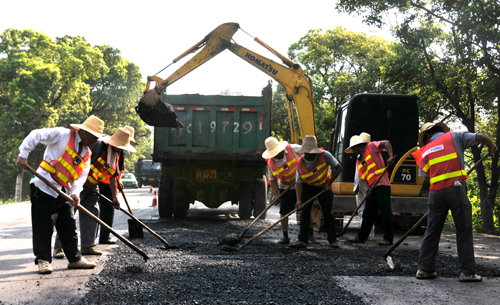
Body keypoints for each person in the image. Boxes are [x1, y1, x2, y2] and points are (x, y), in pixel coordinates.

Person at [16, 115, 104, 274]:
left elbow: (81, 177)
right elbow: (37, 134)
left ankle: (75, 259)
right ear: (83, 131)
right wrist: (24, 154)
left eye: (96, 138)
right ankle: (43, 260)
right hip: (43, 185)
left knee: (69, 224)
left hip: (63, 190)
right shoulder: (62, 135)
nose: (94, 140)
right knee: (43, 225)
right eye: (92, 136)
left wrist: (75, 193)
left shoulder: (87, 153)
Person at [412, 122, 497, 282]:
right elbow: (481, 136)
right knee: (463, 230)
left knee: (432, 231)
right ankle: (467, 272)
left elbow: (424, 177)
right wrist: (491, 146)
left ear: (428, 136)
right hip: (456, 189)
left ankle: (424, 269)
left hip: (435, 193)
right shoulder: (454, 136)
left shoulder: (425, 151)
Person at [52, 128, 136, 257]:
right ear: (113, 142)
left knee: (92, 214)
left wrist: (115, 197)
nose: (121, 149)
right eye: (120, 146)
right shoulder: (97, 145)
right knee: (68, 215)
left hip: (92, 186)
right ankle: (59, 247)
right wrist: (75, 185)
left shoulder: (115, 154)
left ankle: (87, 246)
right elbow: (79, 160)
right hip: (77, 185)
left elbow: (113, 175)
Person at [290, 135, 342, 249]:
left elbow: (339, 168)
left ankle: (332, 240)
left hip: (324, 186)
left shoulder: (325, 155)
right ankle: (302, 240)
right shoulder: (299, 163)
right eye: (306, 153)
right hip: (308, 187)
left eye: (310, 152)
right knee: (305, 211)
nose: (308, 155)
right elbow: (298, 182)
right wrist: (299, 199)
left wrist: (329, 183)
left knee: (327, 213)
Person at [346, 133, 395, 246]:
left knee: (385, 212)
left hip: (382, 185)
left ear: (357, 146)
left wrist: (390, 156)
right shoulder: (359, 160)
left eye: (353, 149)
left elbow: (386, 142)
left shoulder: (371, 146)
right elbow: (365, 175)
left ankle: (388, 238)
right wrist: (368, 186)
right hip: (372, 187)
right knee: (368, 213)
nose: (352, 152)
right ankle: (361, 237)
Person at [96, 128, 136, 244]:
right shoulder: (102, 147)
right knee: (103, 210)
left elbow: (116, 171)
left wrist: (119, 182)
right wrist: (115, 194)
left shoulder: (119, 152)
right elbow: (111, 171)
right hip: (102, 182)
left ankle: (104, 236)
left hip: (109, 182)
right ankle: (100, 237)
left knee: (107, 211)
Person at [262, 137, 301, 244]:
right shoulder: (270, 163)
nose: (275, 155)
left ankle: (308, 235)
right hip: (284, 187)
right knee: (283, 212)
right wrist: (275, 195)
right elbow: (273, 180)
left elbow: (309, 153)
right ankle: (285, 236)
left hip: (301, 185)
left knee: (304, 209)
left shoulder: (293, 149)